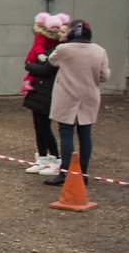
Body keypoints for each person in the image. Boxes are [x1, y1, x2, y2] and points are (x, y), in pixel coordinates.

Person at [42, 20, 111, 187]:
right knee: (85, 133)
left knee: (66, 133)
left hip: (67, 95)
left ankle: (65, 173)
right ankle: (83, 173)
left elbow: (51, 61)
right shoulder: (99, 51)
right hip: (89, 96)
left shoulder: (64, 49)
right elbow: (105, 76)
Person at [21, 12, 70, 174]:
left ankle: (55, 159)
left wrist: (29, 66)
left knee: (45, 127)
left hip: (48, 91)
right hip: (38, 90)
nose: (58, 32)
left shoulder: (59, 49)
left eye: (61, 30)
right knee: (38, 126)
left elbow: (46, 68)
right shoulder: (45, 45)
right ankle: (42, 157)